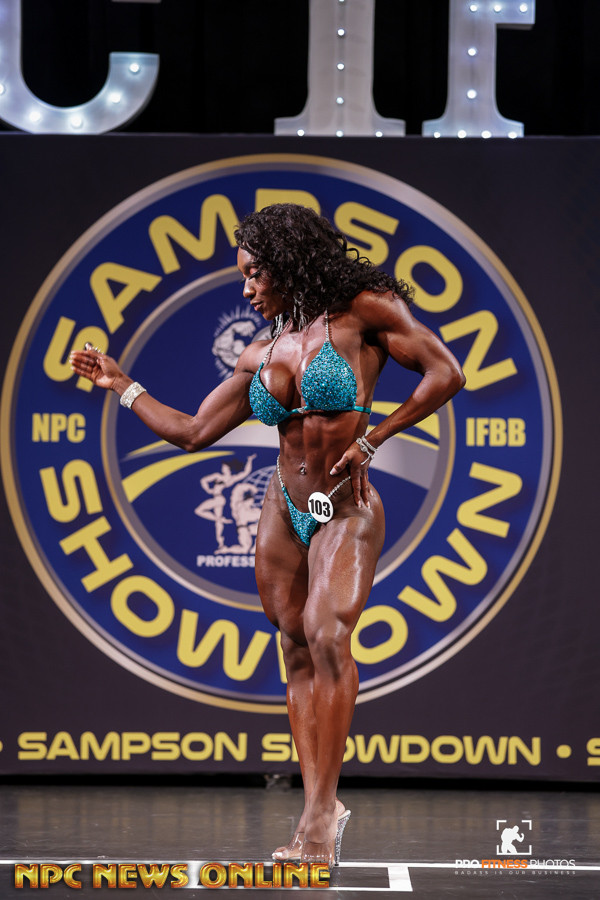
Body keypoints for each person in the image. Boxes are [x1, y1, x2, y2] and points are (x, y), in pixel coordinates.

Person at [70, 203, 465, 869]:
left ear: (288, 263)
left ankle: (321, 814)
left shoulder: (363, 312)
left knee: (328, 636)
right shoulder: (260, 350)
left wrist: (374, 438)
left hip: (346, 505)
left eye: (255, 274)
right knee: (296, 648)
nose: (248, 289)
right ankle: (316, 812)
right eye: (244, 278)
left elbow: (446, 373)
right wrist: (122, 385)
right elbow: (193, 431)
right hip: (283, 510)